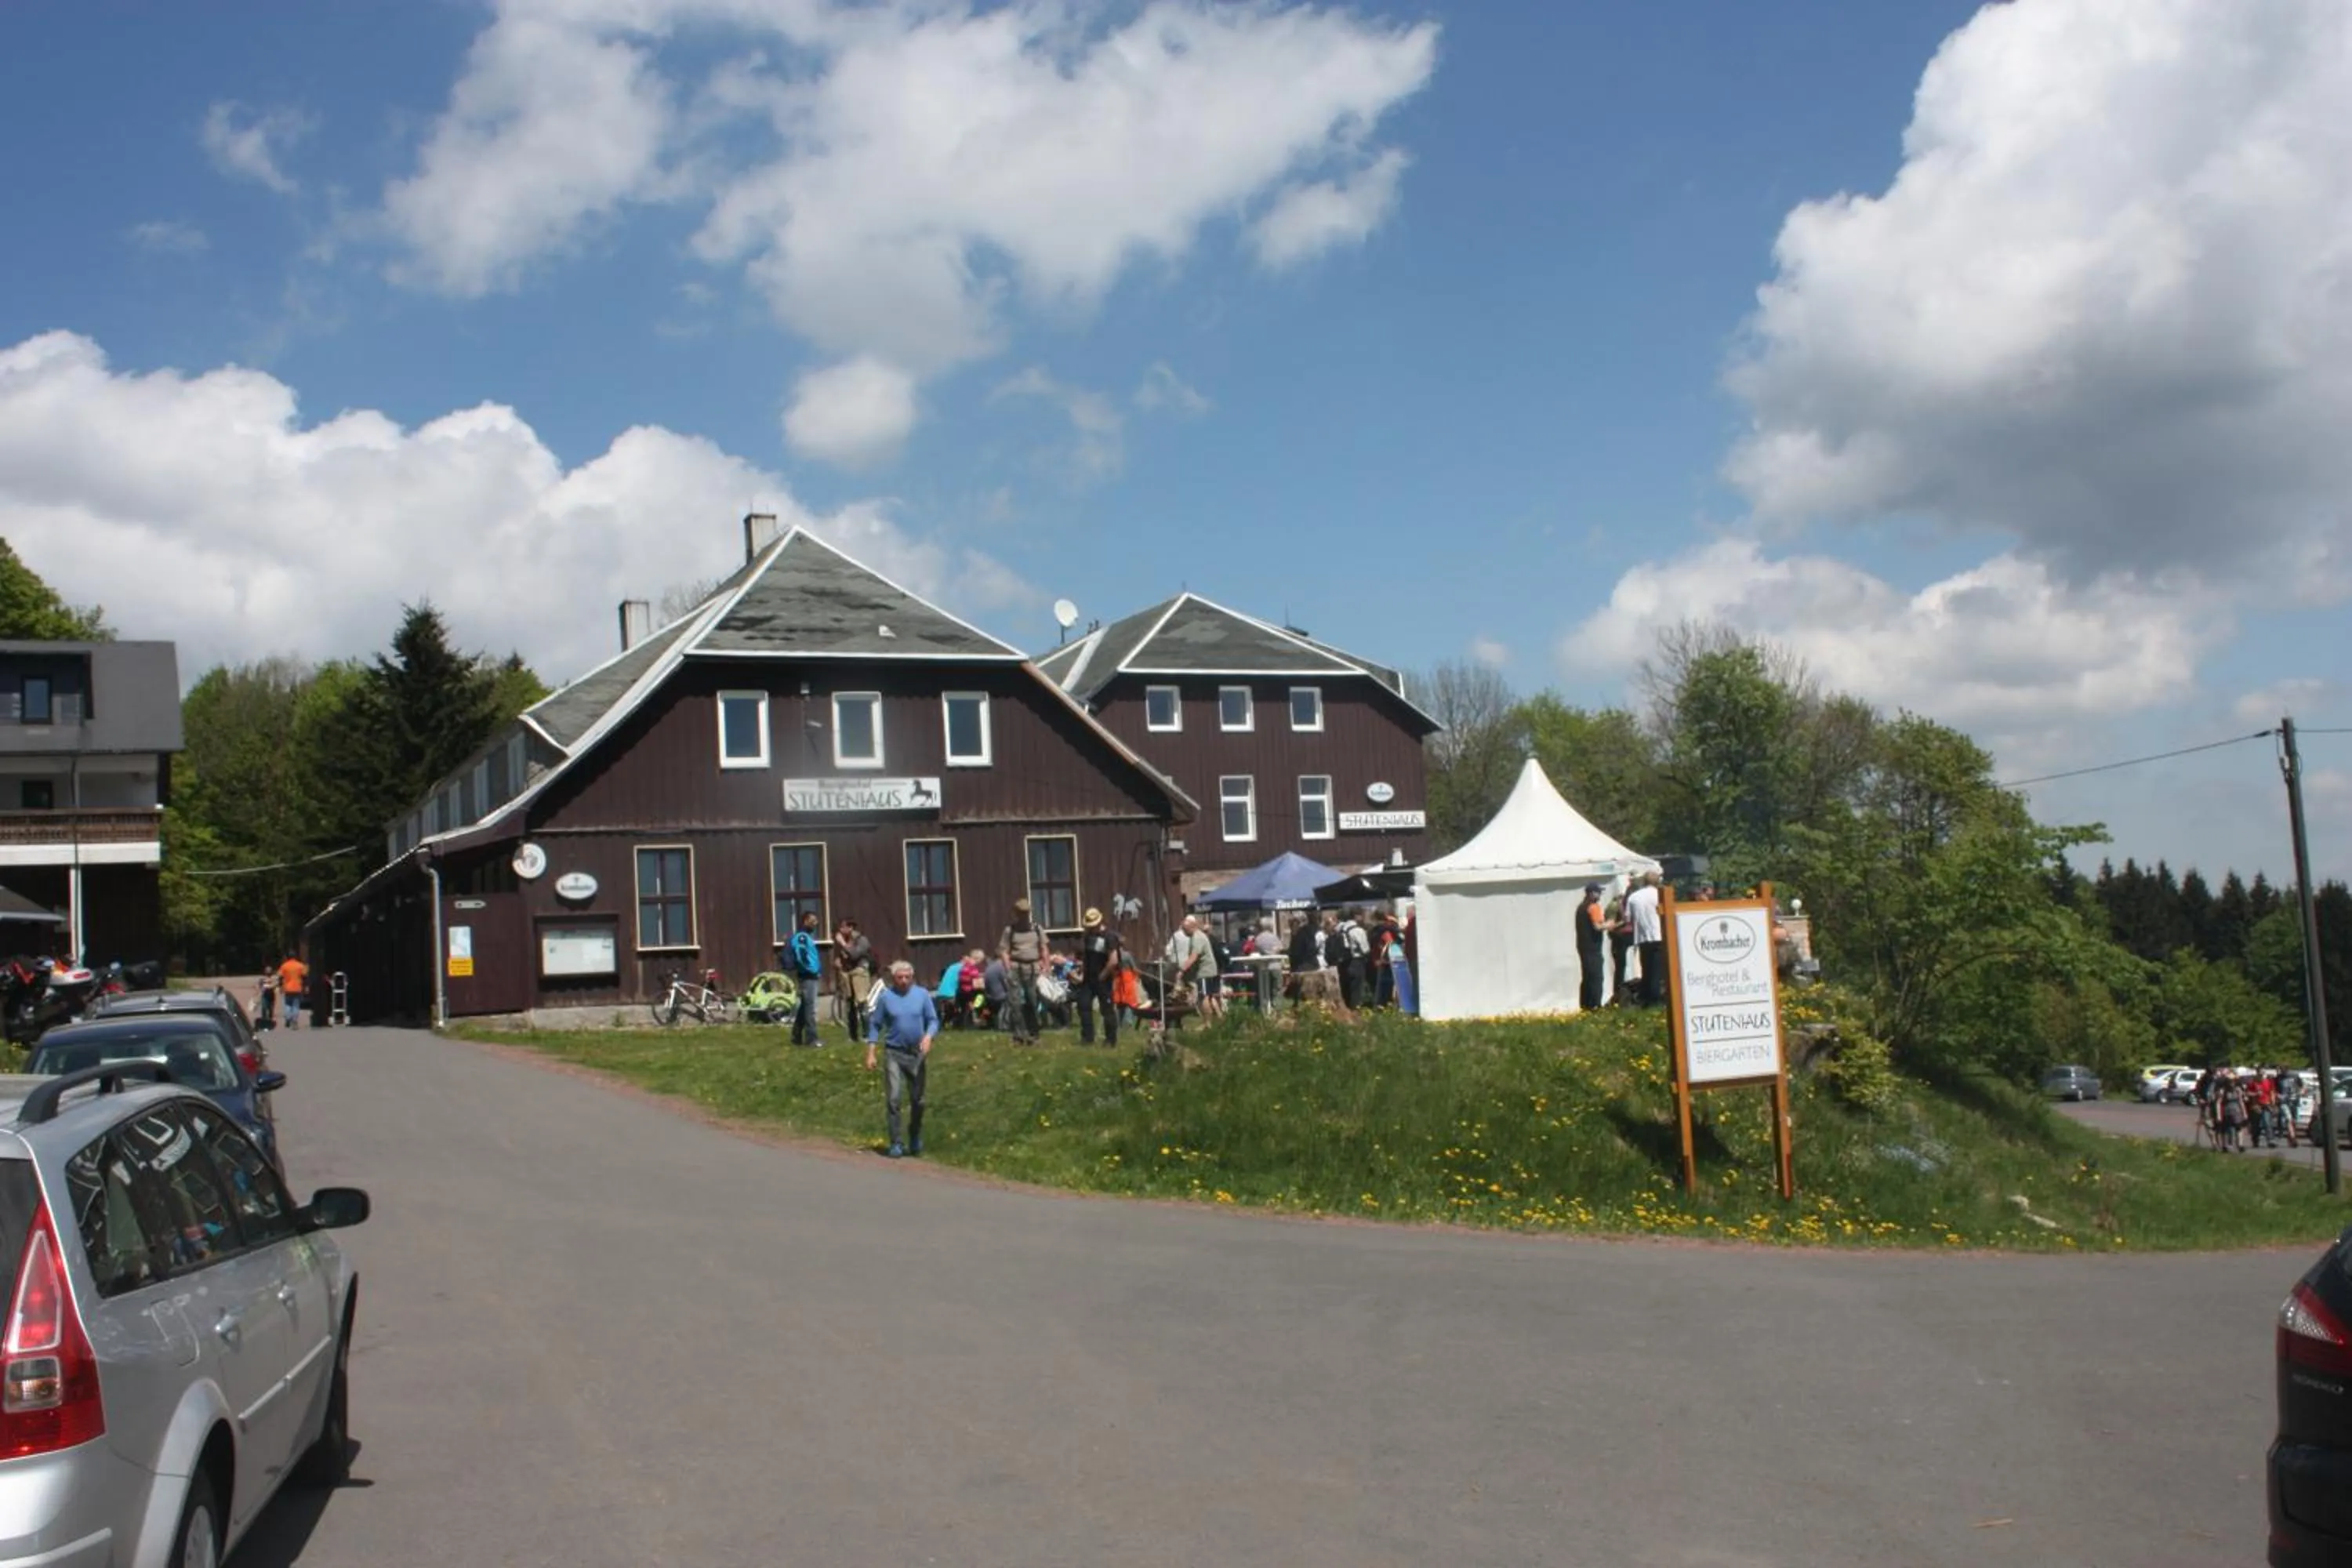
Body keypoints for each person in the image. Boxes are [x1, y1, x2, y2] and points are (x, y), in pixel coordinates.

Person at [866, 960, 938, 1158]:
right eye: (900, 978)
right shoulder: (886, 998)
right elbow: (875, 1025)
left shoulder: (922, 995)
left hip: (916, 1054)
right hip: (894, 1053)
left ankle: (914, 1136)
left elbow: (933, 1020)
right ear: (894, 978)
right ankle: (896, 1142)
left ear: (912, 977)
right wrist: (871, 1052)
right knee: (894, 1098)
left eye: (908, 977)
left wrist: (928, 1037)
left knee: (918, 1100)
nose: (904, 981)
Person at [999, 898, 1049, 1044]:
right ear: (1016, 914)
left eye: (1026, 913)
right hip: (1016, 967)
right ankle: (1018, 1035)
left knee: (1032, 1001)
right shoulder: (1010, 930)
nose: (1023, 916)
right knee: (1015, 1003)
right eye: (1021, 913)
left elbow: (1044, 948)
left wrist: (1046, 966)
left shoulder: (1037, 929)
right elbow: (1004, 951)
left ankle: (1034, 1033)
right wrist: (1008, 968)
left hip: (1032, 968)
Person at [1077, 908, 1123, 1047]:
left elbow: (1113, 960)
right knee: (1083, 1005)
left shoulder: (1109, 937)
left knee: (1107, 1009)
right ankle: (1087, 1037)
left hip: (1104, 978)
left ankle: (1110, 1039)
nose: (1090, 929)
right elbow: (1085, 956)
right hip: (1088, 978)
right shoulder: (1087, 937)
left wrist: (1103, 976)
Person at [1625, 873, 1665, 1007]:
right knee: (1657, 971)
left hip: (1642, 937)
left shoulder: (1634, 897)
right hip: (1659, 935)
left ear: (1643, 881)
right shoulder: (1660, 895)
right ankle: (1655, 1000)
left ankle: (1646, 997)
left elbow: (1627, 918)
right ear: (1657, 882)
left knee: (1646, 969)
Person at [787, 912, 826, 1047]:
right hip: (807, 976)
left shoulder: (807, 937)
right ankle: (811, 1039)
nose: (816, 924)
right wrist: (811, 970)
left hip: (810, 975)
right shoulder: (802, 937)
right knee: (810, 1008)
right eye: (813, 921)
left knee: (805, 1007)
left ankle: (796, 1036)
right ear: (805, 921)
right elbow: (801, 956)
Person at [833, 916, 873, 1038]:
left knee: (861, 1003)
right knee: (849, 1005)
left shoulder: (861, 939)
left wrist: (843, 943)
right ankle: (853, 1035)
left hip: (859, 972)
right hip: (847, 973)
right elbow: (842, 956)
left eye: (843, 927)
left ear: (850, 927)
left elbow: (855, 955)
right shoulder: (844, 940)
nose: (840, 930)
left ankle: (867, 1035)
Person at [1166, 915, 1215, 1013]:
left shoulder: (1197, 938)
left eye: (1185, 930)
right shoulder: (1193, 937)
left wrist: (1181, 971)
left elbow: (1193, 957)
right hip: (1201, 971)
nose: (1184, 932)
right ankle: (1215, 1019)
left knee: (1204, 997)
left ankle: (1208, 1024)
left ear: (1192, 927)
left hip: (1205, 971)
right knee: (1207, 996)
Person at [1575, 883, 1609, 1011]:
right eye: (1598, 892)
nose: (1600, 895)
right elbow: (1598, 926)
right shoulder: (1594, 907)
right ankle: (1596, 1004)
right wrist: (1612, 924)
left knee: (1587, 976)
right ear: (1591, 893)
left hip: (1583, 946)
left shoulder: (1580, 908)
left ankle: (1585, 1004)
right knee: (1596, 976)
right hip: (1593, 947)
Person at [1337, 909, 1370, 1010]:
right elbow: (1365, 949)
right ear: (1356, 916)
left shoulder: (1339, 929)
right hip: (1357, 962)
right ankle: (1355, 1012)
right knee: (1357, 990)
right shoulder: (1358, 930)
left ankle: (1345, 1011)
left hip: (1343, 963)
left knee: (1346, 989)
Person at [276, 953, 309, 1030]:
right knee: (296, 1005)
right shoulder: (300, 966)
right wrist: (305, 987)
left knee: (288, 1004)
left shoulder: (284, 966)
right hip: (297, 988)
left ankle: (288, 1018)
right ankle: (294, 1021)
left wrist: (281, 987)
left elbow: (280, 977)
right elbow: (304, 977)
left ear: (288, 957)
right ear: (296, 957)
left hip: (287, 988)